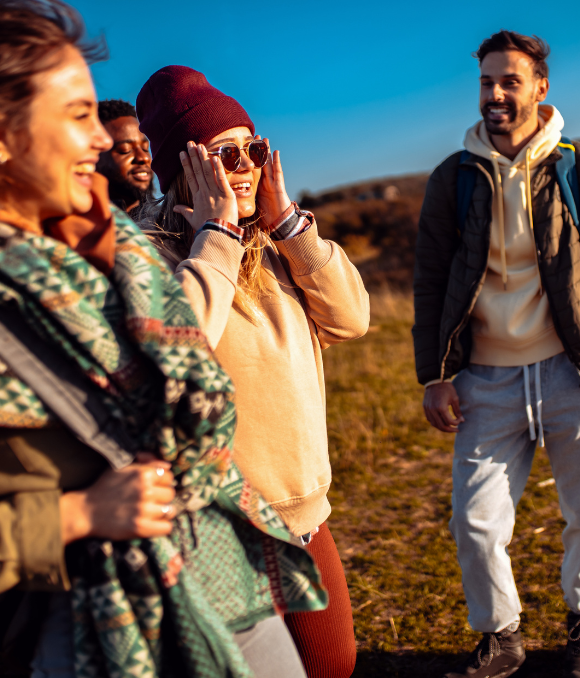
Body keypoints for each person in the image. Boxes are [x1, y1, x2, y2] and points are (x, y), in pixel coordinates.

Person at [0, 2, 324, 677]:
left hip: (228, 583)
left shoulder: (115, 258)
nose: (103, 141)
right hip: (104, 638)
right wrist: (80, 514)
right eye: (78, 114)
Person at [413, 30, 580, 678]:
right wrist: (435, 376)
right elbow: (430, 282)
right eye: (487, 81)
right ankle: (502, 636)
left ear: (541, 88)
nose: (495, 94)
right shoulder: (451, 179)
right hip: (485, 381)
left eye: (509, 81)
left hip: (575, 374)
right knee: (476, 522)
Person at [135, 66, 369, 678]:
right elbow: (168, 348)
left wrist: (288, 222)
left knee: (332, 664)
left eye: (254, 149)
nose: (244, 165)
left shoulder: (277, 246)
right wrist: (214, 235)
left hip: (302, 513)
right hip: (220, 525)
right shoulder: (154, 257)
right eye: (224, 154)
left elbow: (351, 319)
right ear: (181, 168)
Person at [97, 98, 154, 215]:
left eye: (145, 148)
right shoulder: (81, 227)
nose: (144, 158)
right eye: (125, 150)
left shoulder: (169, 224)